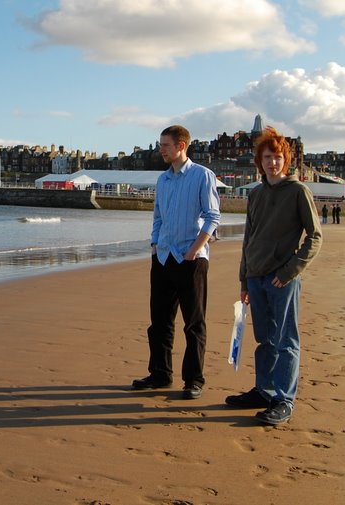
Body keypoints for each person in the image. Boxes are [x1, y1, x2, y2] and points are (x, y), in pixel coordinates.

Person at [226, 126, 322, 425]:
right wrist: (244, 280)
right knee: (264, 339)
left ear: (287, 160)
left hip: (282, 278)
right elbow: (249, 239)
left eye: (278, 157)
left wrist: (291, 269)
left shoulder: (298, 191)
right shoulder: (255, 195)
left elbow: (315, 236)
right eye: (268, 157)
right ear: (260, 161)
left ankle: (284, 399)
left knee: (285, 340)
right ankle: (264, 390)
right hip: (255, 277)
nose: (273, 162)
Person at [132, 125, 221, 400]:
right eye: (161, 145)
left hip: (191, 259)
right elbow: (158, 216)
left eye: (166, 146)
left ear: (181, 146)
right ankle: (160, 374)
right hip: (162, 257)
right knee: (159, 322)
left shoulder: (202, 176)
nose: (161, 150)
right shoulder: (163, 180)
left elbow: (213, 217)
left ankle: (193, 380)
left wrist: (194, 250)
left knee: (193, 323)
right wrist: (154, 245)